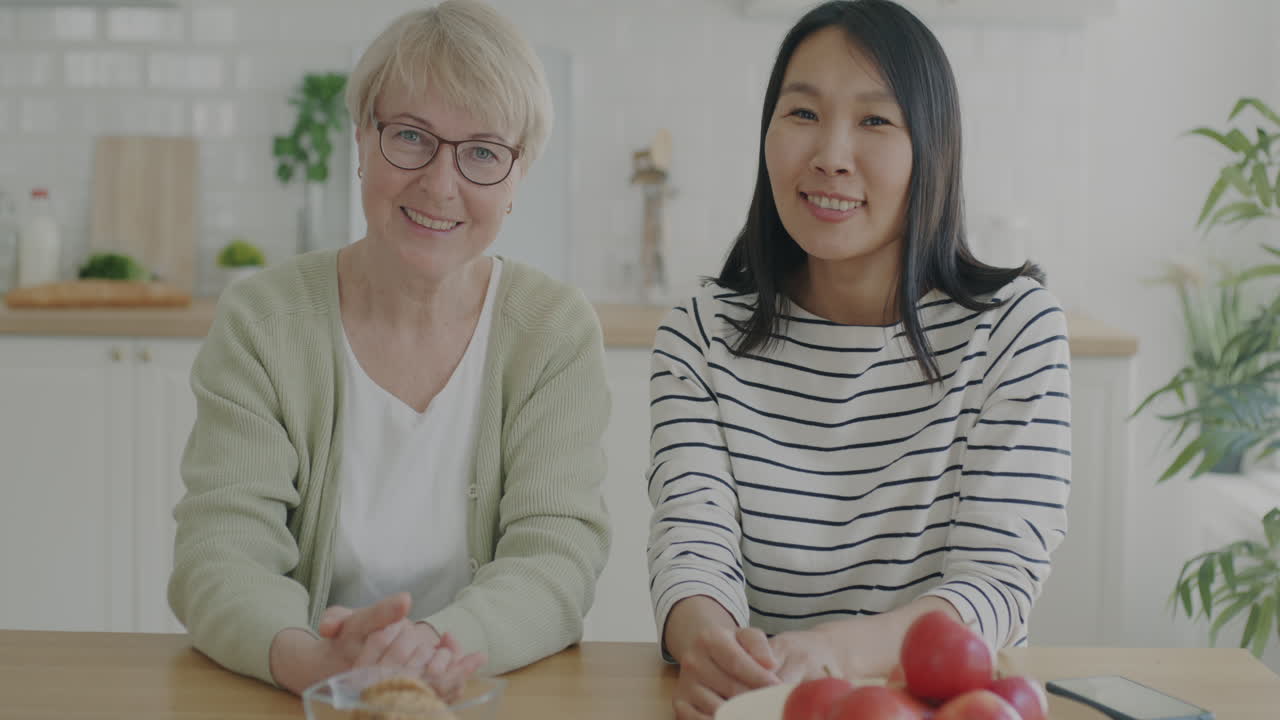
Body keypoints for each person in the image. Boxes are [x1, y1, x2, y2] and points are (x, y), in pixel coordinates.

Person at [169, 0, 611, 698]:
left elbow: (555, 558)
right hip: (304, 698)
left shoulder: (552, 330)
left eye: (483, 153)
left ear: (519, 176)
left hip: (483, 696)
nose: (440, 183)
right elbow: (220, 555)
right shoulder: (264, 320)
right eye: (410, 136)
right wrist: (308, 661)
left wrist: (435, 648)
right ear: (362, 139)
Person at [645, 1, 1071, 718]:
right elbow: (691, 550)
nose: (831, 155)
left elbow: (997, 581)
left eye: (875, 121)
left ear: (932, 149)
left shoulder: (1014, 334)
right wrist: (711, 645)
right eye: (802, 113)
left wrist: (831, 653)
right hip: (772, 703)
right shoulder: (700, 334)